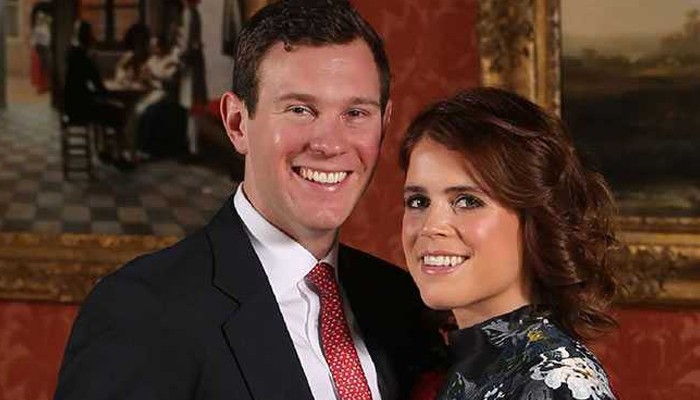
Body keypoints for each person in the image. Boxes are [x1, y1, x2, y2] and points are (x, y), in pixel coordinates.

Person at [54, 1, 444, 399]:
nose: (330, 144)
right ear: (237, 123)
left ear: (384, 123)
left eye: (356, 113)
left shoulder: (401, 301)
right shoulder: (140, 312)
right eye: (299, 109)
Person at [399, 87, 619, 400]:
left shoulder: (556, 383)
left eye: (468, 201)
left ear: (535, 219)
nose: (431, 227)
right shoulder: (439, 365)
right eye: (418, 201)